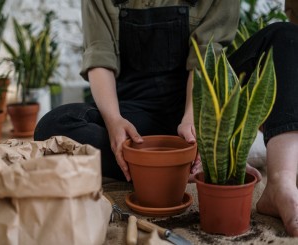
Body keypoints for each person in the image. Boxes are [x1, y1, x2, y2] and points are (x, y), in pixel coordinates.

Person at [34, 0, 298, 236]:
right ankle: (180, 165)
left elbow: (207, 56)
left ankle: (280, 184)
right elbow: (99, 55)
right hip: (134, 116)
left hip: (204, 104)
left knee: (286, 36)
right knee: (54, 126)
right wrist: (114, 121)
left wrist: (193, 119)